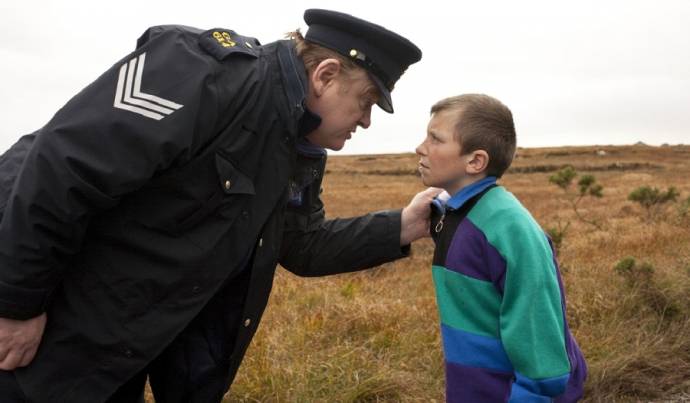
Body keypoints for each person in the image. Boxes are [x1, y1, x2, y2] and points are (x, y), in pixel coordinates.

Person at [0, 9, 437, 402]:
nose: (366, 121)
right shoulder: (200, 70)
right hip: (48, 321)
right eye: (366, 102)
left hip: (121, 345)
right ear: (325, 75)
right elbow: (63, 171)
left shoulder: (297, 144)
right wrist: (16, 305)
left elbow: (302, 244)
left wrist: (404, 225)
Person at [416, 94, 587, 402]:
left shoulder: (510, 229)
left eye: (435, 139)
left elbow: (542, 351)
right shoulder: (456, 212)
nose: (420, 148)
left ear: (475, 161)